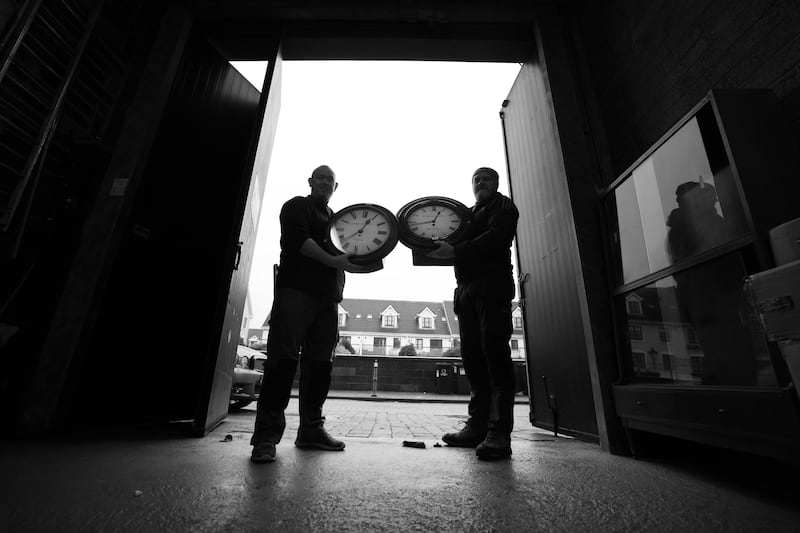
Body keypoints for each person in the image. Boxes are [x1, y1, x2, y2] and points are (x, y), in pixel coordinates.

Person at [251, 165, 365, 463]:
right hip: (296, 293)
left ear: (335, 187)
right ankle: (265, 438)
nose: (326, 182)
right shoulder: (296, 206)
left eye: (331, 179)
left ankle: (311, 431)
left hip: (328, 300)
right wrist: (334, 260)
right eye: (321, 177)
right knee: (282, 363)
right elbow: (298, 242)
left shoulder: (337, 219)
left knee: (320, 367)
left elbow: (352, 251)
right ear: (311, 182)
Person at [427, 167, 519, 460]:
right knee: (472, 357)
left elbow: (495, 238)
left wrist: (454, 252)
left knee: (495, 356)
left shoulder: (503, 206)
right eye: (476, 179)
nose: (481, 182)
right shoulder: (467, 214)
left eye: (486, 178)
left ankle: (499, 433)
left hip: (492, 287)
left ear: (496, 183)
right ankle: (476, 426)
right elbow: (445, 234)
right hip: (465, 289)